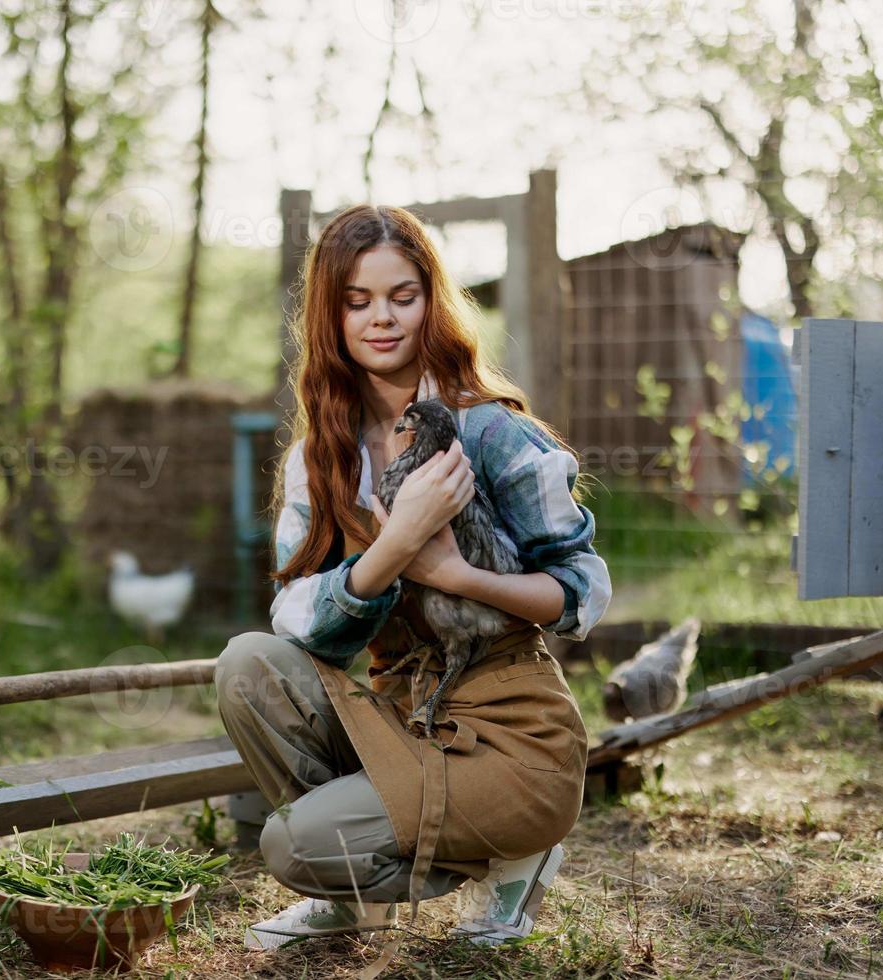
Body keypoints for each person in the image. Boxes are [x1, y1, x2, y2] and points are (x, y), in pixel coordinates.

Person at [215, 204, 612, 952]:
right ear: (329, 315)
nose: (381, 319)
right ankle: (349, 893)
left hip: (510, 730)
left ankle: (518, 856)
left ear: (432, 300)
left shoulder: (491, 431)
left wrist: (461, 575)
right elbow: (298, 624)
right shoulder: (319, 457)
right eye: (357, 301)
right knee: (248, 664)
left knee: (292, 845)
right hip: (402, 715)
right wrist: (392, 548)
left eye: (403, 295)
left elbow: (583, 592)